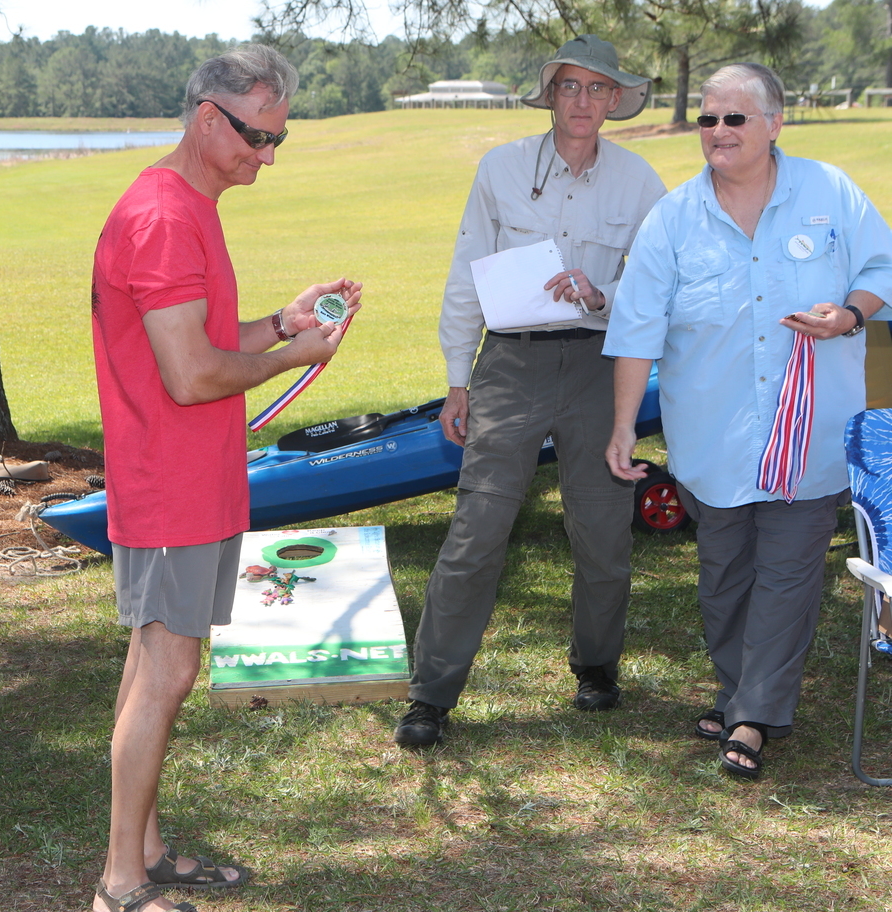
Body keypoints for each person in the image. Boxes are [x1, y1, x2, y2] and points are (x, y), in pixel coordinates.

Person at [90, 45, 362, 912]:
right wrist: (293, 357)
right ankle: (121, 884)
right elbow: (190, 377)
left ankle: (149, 851)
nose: (267, 155)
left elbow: (204, 342)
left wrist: (280, 322)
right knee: (164, 677)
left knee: (151, 674)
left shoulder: (190, 205)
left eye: (278, 138)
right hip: (170, 486)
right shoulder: (165, 217)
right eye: (258, 136)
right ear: (210, 118)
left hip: (189, 480)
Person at [604, 62, 892, 779]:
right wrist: (621, 428)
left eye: (735, 118)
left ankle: (753, 719)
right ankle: (740, 692)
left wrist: (849, 313)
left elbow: (884, 269)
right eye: (708, 119)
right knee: (724, 577)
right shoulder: (672, 218)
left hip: (812, 440)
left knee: (788, 576)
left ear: (774, 123)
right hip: (712, 440)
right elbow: (637, 330)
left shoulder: (830, 193)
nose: (719, 131)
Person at [393, 35, 667, 750]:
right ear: (551, 95)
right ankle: (430, 695)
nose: (582, 101)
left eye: (596, 88)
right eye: (568, 87)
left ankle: (597, 667)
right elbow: (465, 273)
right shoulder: (501, 168)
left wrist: (600, 294)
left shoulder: (641, 182)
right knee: (477, 530)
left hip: (598, 367)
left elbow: (658, 287)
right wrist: (458, 379)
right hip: (508, 367)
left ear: (615, 100)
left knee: (602, 531)